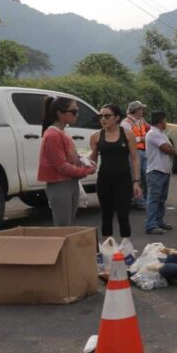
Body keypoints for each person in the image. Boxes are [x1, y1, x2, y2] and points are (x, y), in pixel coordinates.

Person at [38, 96, 97, 226]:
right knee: (63, 228)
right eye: (74, 111)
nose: (77, 114)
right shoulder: (53, 135)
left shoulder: (62, 132)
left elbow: (71, 158)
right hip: (60, 185)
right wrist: (85, 171)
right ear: (60, 113)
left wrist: (84, 162)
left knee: (68, 226)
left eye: (77, 111)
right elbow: (62, 166)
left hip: (69, 183)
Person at [88, 103, 142, 243]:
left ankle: (126, 246)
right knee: (106, 213)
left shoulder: (127, 134)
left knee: (123, 213)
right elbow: (93, 158)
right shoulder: (96, 136)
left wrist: (136, 181)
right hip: (104, 179)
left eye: (107, 116)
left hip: (123, 179)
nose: (103, 119)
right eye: (101, 116)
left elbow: (135, 159)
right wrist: (84, 163)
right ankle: (108, 246)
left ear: (117, 117)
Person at [144, 111, 175, 235]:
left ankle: (158, 220)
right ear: (161, 120)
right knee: (154, 198)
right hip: (156, 170)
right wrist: (171, 149)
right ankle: (151, 224)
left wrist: (171, 148)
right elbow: (167, 149)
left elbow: (170, 147)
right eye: (165, 120)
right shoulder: (153, 133)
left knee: (161, 198)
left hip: (164, 170)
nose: (166, 122)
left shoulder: (161, 134)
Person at [121, 101, 150, 209]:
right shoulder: (126, 123)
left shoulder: (140, 121)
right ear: (135, 110)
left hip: (143, 151)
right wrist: (141, 139)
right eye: (141, 109)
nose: (142, 111)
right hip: (133, 152)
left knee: (145, 176)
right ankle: (140, 201)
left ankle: (144, 199)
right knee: (136, 177)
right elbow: (126, 139)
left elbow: (148, 129)